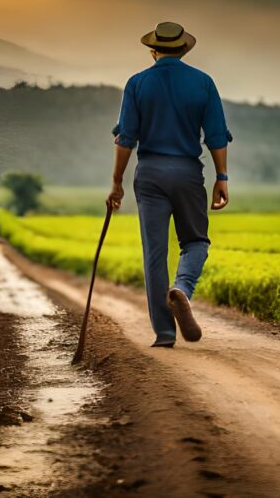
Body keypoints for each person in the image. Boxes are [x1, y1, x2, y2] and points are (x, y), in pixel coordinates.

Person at [106, 22, 232, 347]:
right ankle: (183, 290)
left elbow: (126, 139)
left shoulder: (137, 83)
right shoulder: (203, 83)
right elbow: (216, 136)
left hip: (149, 175)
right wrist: (222, 177)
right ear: (184, 49)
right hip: (188, 174)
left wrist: (117, 183)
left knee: (154, 254)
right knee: (195, 242)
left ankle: (164, 333)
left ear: (153, 51)